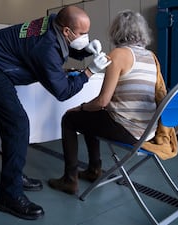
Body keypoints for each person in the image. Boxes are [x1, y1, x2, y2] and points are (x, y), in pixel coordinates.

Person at [0, 5, 111, 220]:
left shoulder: (54, 22)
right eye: (82, 34)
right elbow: (62, 92)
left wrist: (84, 50)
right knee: (17, 125)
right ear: (66, 31)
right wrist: (90, 71)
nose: (86, 36)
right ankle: (9, 195)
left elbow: (63, 46)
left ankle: (12, 176)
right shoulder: (44, 48)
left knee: (13, 125)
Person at [48, 9, 158, 195]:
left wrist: (80, 107)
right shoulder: (151, 57)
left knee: (70, 118)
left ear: (117, 30)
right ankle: (93, 170)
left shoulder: (118, 55)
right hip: (149, 129)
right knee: (90, 115)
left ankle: (70, 179)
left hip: (129, 130)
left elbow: (102, 101)